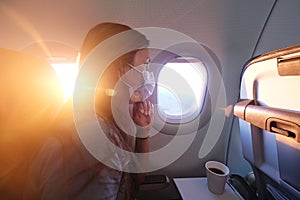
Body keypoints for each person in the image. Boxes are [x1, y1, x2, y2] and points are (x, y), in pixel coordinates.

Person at [23, 22, 154, 200]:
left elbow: (132, 181)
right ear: (120, 72)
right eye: (144, 66)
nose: (148, 74)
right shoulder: (91, 144)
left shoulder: (103, 122)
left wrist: (142, 132)